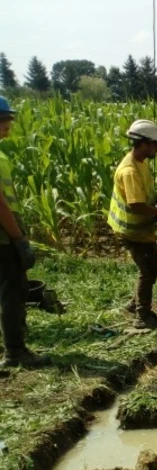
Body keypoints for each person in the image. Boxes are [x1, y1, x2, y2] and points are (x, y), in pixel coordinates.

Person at [107, 119, 157, 330]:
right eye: (154, 144)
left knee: (153, 265)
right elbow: (136, 205)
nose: (156, 148)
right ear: (143, 143)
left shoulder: (141, 164)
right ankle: (142, 315)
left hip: (141, 228)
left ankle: (135, 303)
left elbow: (149, 193)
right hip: (131, 230)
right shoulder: (129, 171)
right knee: (147, 270)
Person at [0, 96, 51, 368]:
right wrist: (18, 238)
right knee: (14, 291)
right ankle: (15, 352)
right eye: (4, 119)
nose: (9, 124)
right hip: (3, 239)